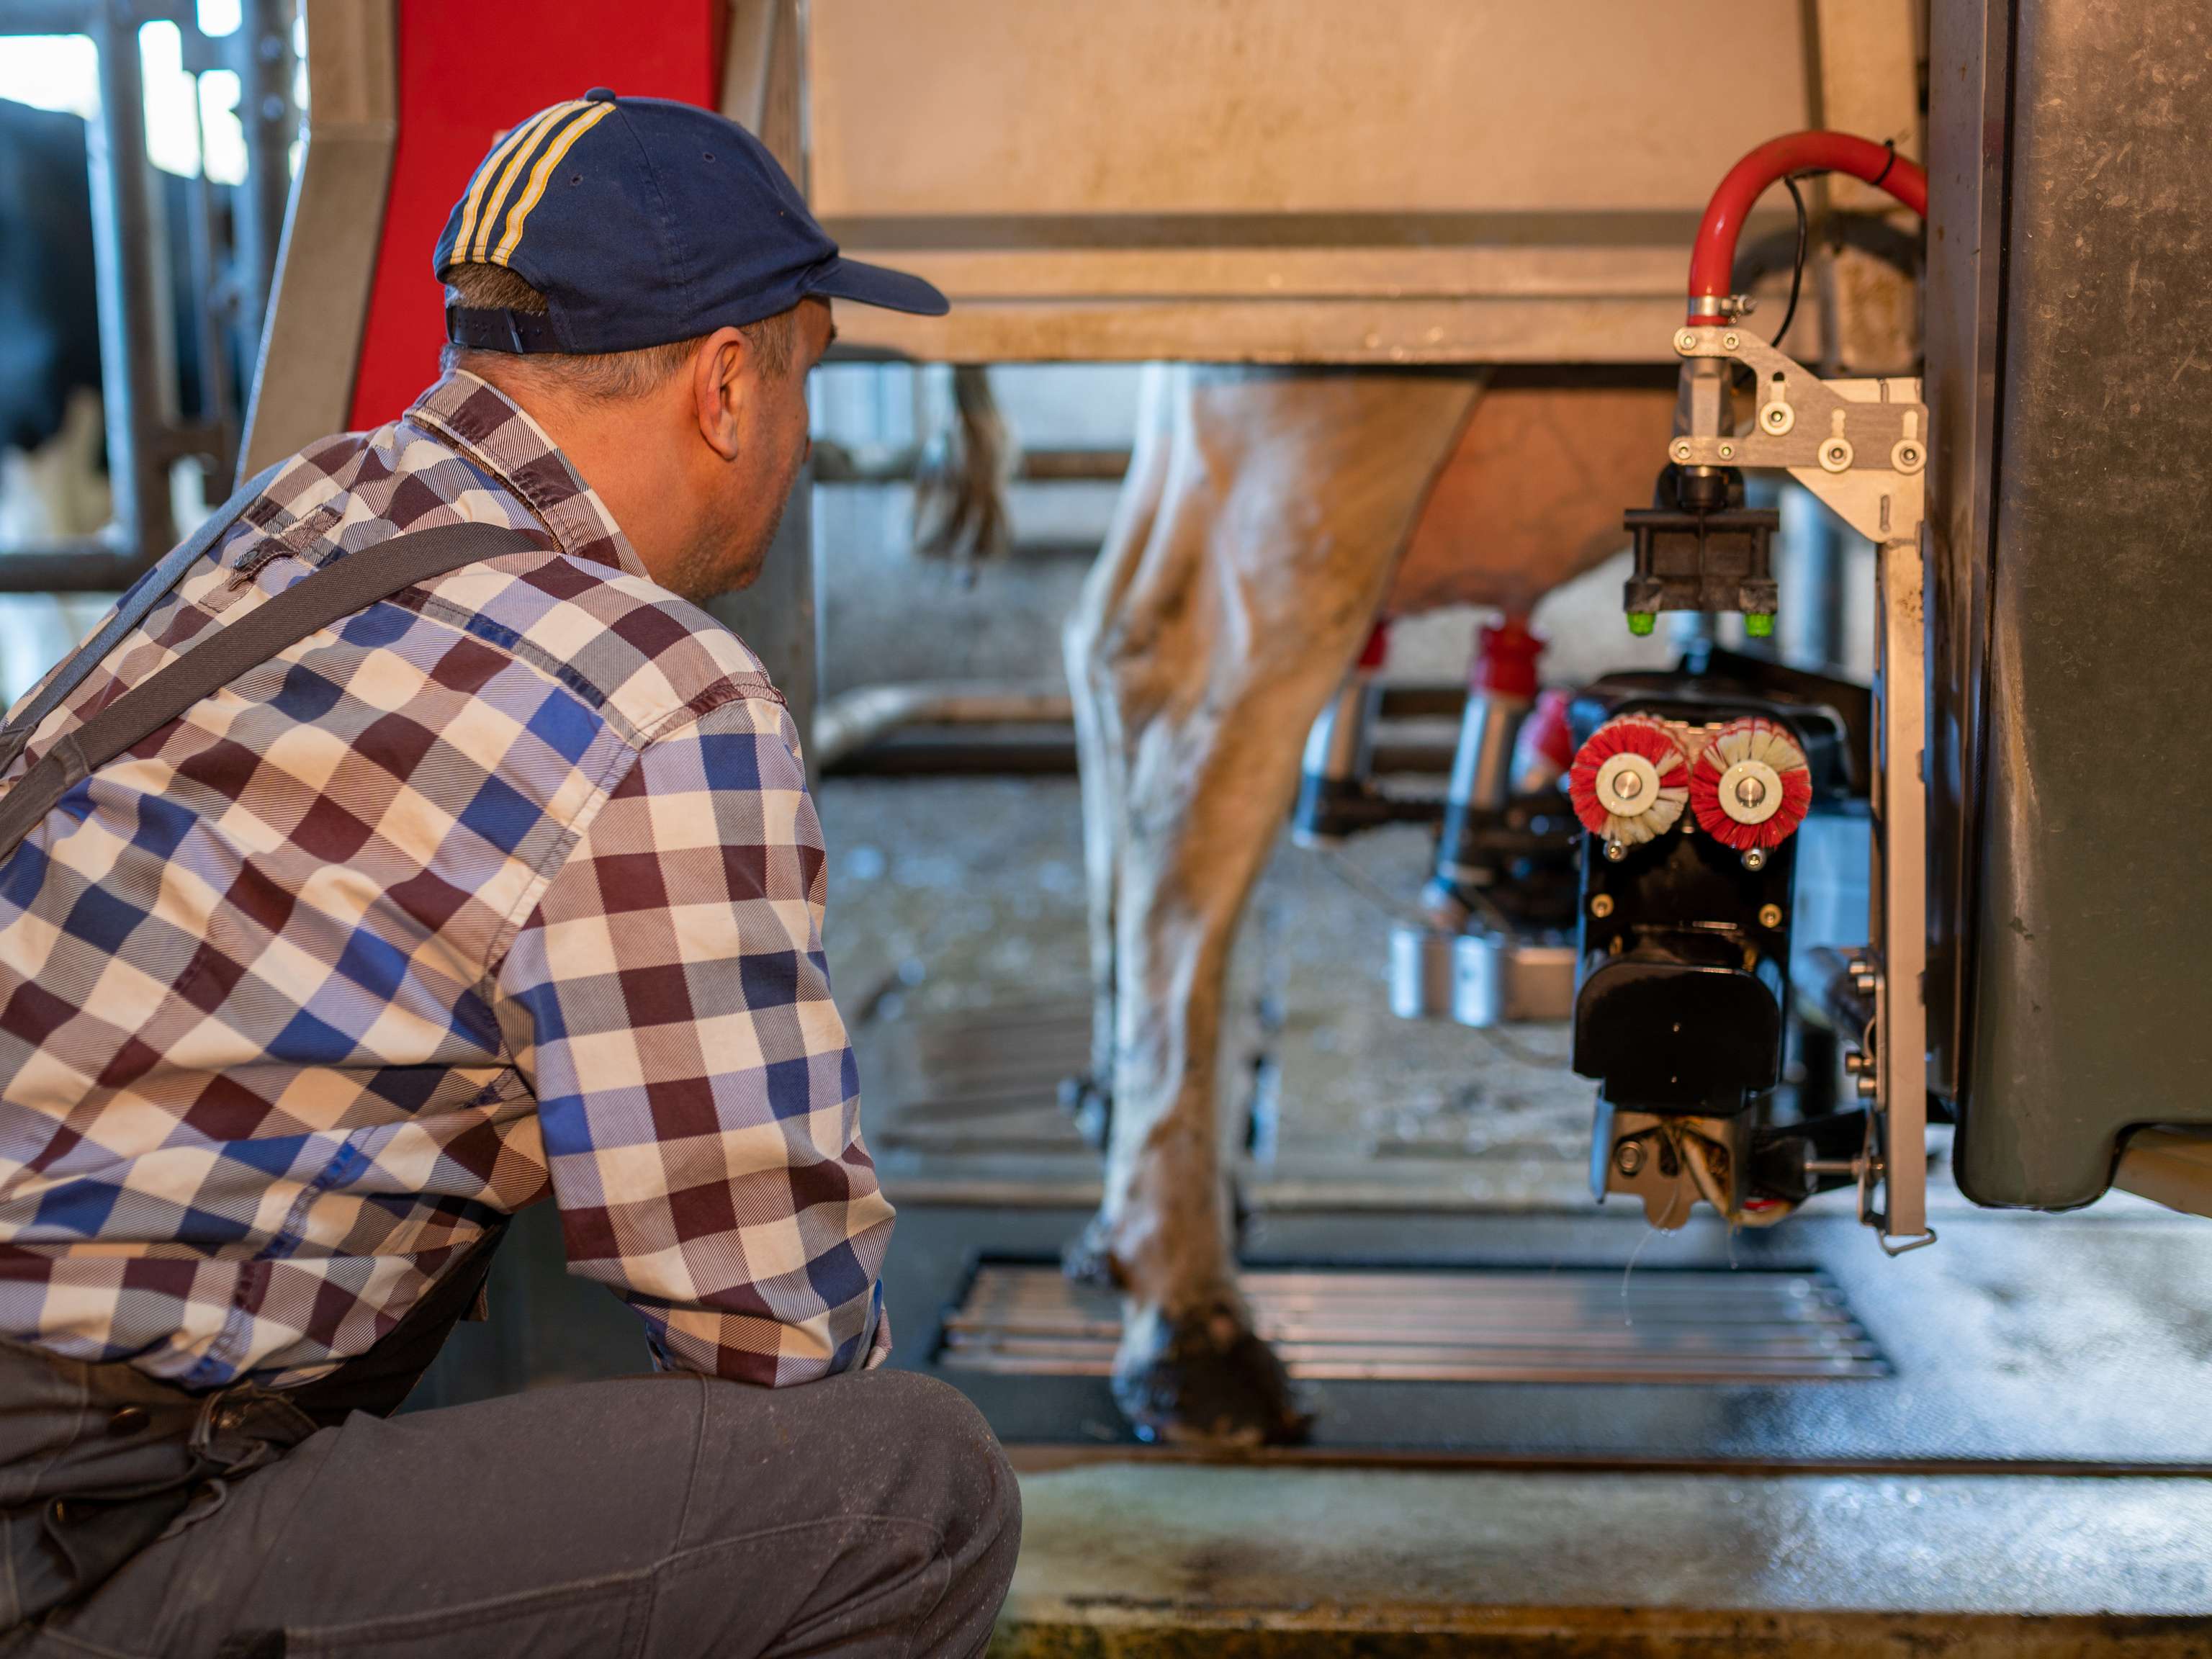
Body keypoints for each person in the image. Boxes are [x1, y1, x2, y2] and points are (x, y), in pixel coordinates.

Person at [0, 89, 1017, 1657]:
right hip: (72, 1524)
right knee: (903, 1495)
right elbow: (775, 1335)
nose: (802, 438)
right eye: (809, 371)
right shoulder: (661, 695)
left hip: (53, 1408)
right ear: (730, 385)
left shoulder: (296, 512)